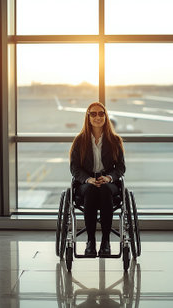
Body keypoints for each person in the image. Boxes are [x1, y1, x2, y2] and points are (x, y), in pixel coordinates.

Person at [69, 101, 125, 257]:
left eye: (101, 113)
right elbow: (75, 168)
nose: (97, 117)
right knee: (93, 190)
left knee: (105, 189)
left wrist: (108, 177)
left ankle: (106, 241)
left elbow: (121, 168)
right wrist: (88, 179)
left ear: (106, 117)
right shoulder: (80, 140)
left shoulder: (114, 140)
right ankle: (91, 241)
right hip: (86, 184)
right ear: (88, 117)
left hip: (109, 183)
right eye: (93, 114)